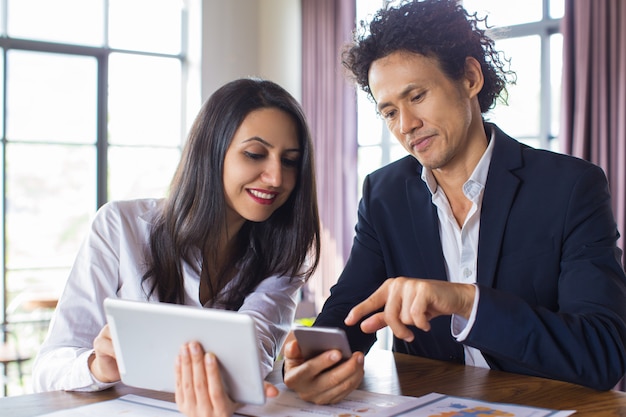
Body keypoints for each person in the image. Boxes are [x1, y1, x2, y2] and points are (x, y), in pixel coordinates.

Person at [283, 0, 626, 405]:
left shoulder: (569, 187)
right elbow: (349, 314)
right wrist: (308, 362)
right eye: (389, 111)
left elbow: (603, 354)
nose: (406, 125)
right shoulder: (383, 195)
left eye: (417, 96)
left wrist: (466, 301)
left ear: (469, 78)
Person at [32, 77, 321, 417]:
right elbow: (48, 371)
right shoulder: (119, 226)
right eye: (255, 154)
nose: (276, 177)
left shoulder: (283, 254)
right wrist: (98, 366)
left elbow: (252, 353)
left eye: (289, 161)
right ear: (211, 151)